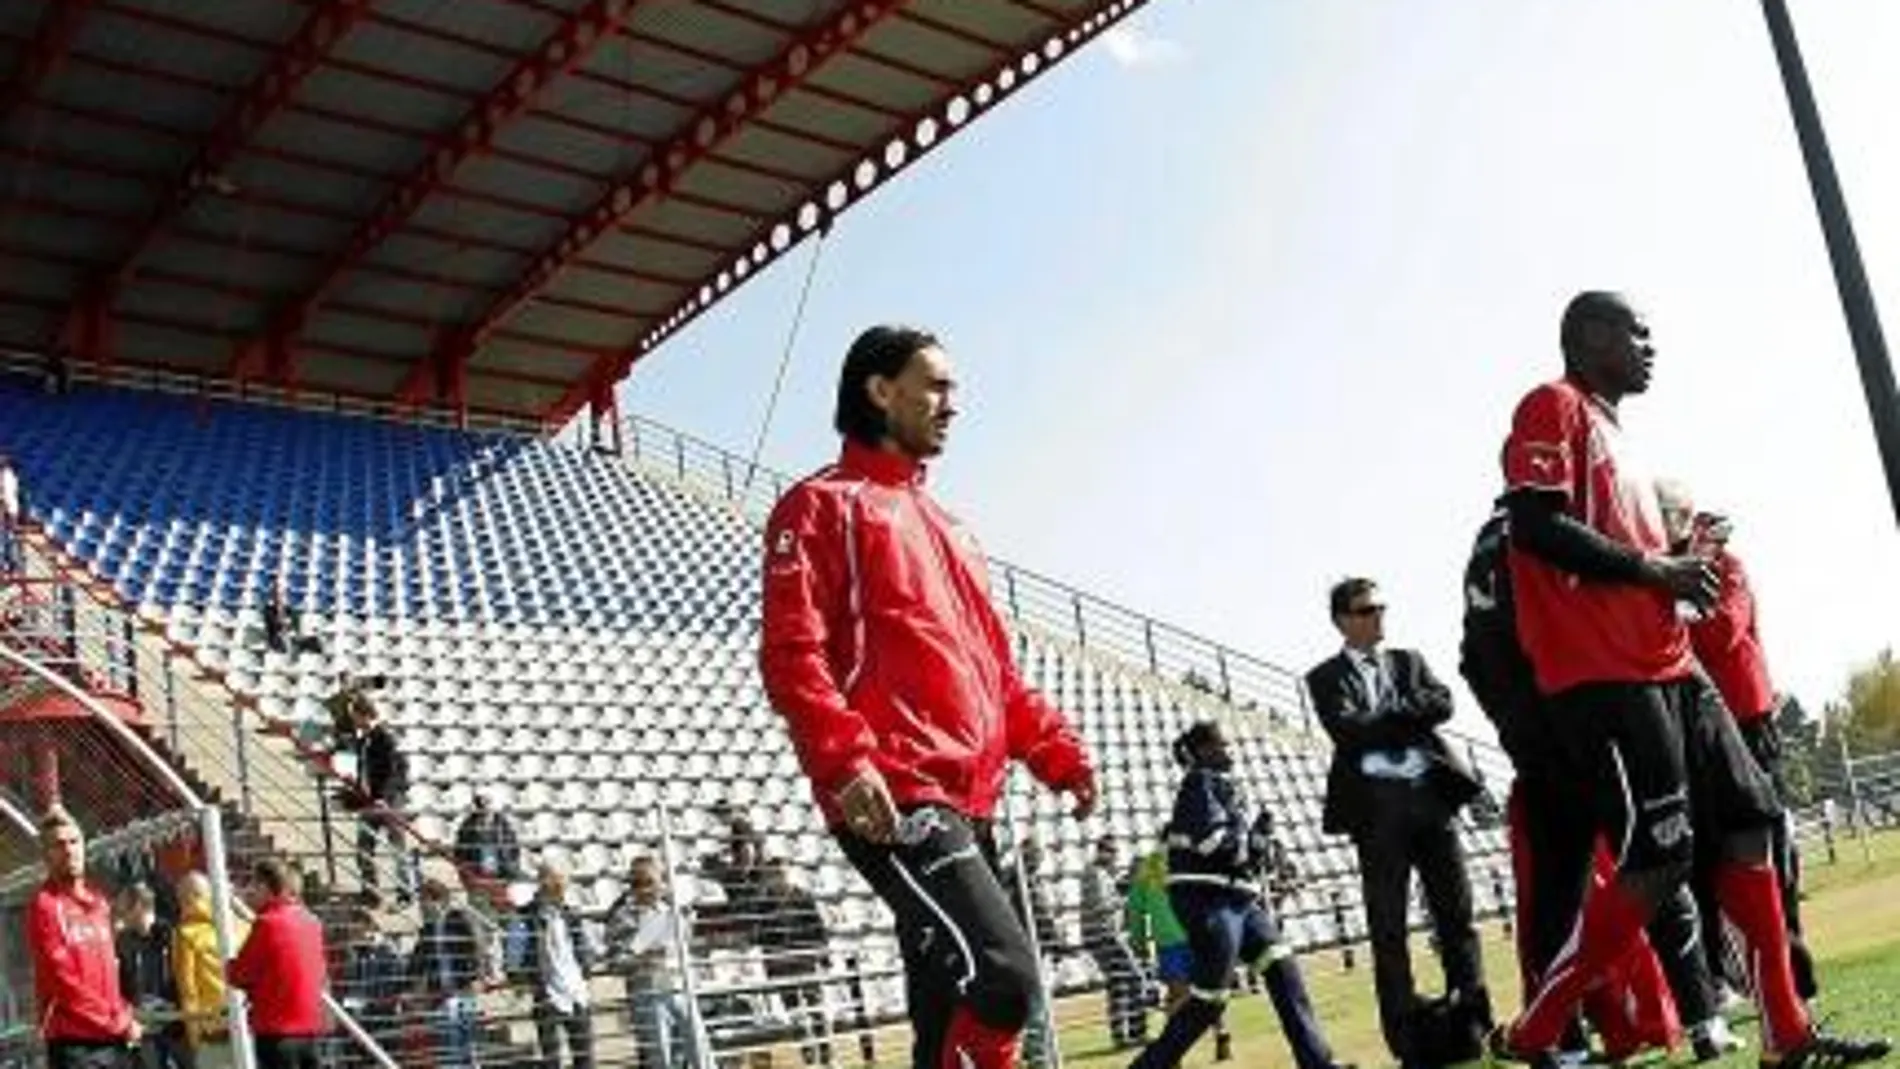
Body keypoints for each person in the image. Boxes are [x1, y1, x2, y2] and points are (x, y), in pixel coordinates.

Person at [1488, 291, 1888, 1069]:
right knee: (1659, 855)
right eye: (1636, 332)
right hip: (1605, 676)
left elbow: (1627, 548)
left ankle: (1788, 1032)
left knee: (1750, 814)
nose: (1650, 345)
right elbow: (1534, 525)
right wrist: (1655, 567)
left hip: (1672, 662)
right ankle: (1537, 1028)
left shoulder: (1622, 435)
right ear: (1591, 336)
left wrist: (1678, 564)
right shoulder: (1550, 404)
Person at [758, 325, 1097, 1069]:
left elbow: (994, 672)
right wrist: (846, 761)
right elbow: (791, 655)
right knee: (1006, 980)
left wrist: (1057, 750)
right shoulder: (818, 506)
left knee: (941, 1018)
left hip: (973, 801)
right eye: (936, 385)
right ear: (880, 390)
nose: (953, 404)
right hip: (897, 797)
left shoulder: (954, 530)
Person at [1459, 508, 1727, 1064]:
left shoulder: (1482, 549)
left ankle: (1566, 1042)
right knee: (1656, 862)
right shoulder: (1548, 532)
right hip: (1587, 719)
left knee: (1553, 899)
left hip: (1536, 746)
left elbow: (1471, 657)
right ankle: (1703, 1016)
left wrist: (1515, 725)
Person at [1305, 578, 1489, 1067]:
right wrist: (1408, 715)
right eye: (1367, 610)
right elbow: (1347, 730)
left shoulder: (1409, 661)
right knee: (1388, 933)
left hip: (1433, 806)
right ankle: (1408, 1044)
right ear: (1343, 619)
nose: (1378, 616)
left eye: (1381, 607)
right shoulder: (1322, 677)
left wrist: (1382, 716)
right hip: (1376, 817)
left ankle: (1474, 1027)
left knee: (1458, 920)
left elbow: (1443, 702)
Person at [1656, 483, 1819, 1004]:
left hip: (1747, 720)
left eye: (1668, 517)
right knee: (1700, 853)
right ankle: (1720, 979)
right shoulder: (1660, 573)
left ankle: (1792, 971)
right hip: (1695, 727)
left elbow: (1723, 628)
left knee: (1768, 842)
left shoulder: (1727, 567)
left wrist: (1667, 605)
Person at [1129, 722, 1348, 1069]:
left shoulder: (1219, 787)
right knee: (1209, 1002)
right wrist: (1255, 843)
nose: (1231, 752)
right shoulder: (1199, 783)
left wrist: (1258, 843)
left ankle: (1318, 1064)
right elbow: (1212, 842)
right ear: (1204, 751)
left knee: (1283, 969)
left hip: (1239, 901)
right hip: (1210, 901)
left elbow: (1234, 848)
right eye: (1224, 746)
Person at [26, 808, 141, 1068]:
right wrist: (116, 1021)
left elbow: (112, 970)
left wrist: (124, 1011)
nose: (69, 850)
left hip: (114, 1039)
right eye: (59, 844)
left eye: (74, 842)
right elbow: (63, 981)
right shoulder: (45, 905)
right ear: (46, 855)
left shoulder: (98, 901)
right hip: (75, 1046)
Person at [229, 858, 330, 1069]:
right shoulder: (311, 921)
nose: (250, 891)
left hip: (277, 1031)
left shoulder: (267, 924)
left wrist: (229, 965)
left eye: (253, 885)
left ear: (265, 887)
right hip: (310, 1029)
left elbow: (240, 974)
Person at [605, 856, 694, 1069]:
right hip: (648, 992)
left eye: (649, 882)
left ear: (661, 881)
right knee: (660, 1059)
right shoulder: (622, 916)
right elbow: (613, 962)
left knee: (695, 1051)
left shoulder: (672, 910)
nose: (644, 889)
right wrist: (641, 959)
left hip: (679, 987)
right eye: (637, 883)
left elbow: (685, 945)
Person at [334, 684, 418, 906]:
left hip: (389, 802)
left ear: (365, 714)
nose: (354, 721)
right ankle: (371, 891)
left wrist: (384, 797)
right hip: (372, 802)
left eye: (355, 716)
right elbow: (364, 774)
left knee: (397, 847)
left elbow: (394, 772)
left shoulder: (386, 737)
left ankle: (405, 893)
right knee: (364, 846)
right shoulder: (365, 740)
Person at [508, 863, 595, 1069]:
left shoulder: (570, 913)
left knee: (585, 1058)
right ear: (544, 882)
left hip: (576, 993)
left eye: (564, 881)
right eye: (558, 880)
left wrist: (585, 967)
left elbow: (582, 947)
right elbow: (514, 957)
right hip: (547, 995)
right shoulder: (524, 917)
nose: (563, 885)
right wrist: (525, 980)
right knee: (551, 1060)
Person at [755, 861, 832, 1067]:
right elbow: (762, 938)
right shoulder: (765, 905)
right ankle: (808, 1060)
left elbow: (820, 929)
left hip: (806, 962)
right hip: (782, 967)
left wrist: (822, 958)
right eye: (774, 875)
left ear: (790, 874)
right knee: (795, 1014)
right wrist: (770, 965)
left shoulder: (804, 897)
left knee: (817, 1010)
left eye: (782, 873)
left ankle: (827, 1059)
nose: (779, 878)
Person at [411, 879, 486, 1069]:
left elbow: (476, 947)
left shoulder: (459, 919)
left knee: (468, 1047)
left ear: (438, 900)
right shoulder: (427, 931)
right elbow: (417, 964)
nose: (421, 906)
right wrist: (410, 990)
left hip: (463, 991)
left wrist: (477, 975)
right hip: (440, 997)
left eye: (424, 901)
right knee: (448, 1049)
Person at [116, 884, 191, 1069]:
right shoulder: (123, 941)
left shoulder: (172, 935)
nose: (120, 915)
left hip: (177, 1023)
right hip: (145, 1026)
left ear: (139, 906)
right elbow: (121, 981)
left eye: (124, 909)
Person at [1081, 838, 1146, 1052]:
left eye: (1116, 851)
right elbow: (1102, 906)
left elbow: (1111, 895)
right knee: (1135, 977)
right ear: (1101, 851)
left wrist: (1126, 883)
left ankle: (1122, 1036)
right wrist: (1124, 897)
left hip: (1102, 934)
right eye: (1111, 851)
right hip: (1103, 934)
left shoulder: (1101, 874)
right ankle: (1136, 1032)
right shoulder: (1095, 873)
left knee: (1118, 983)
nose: (1115, 855)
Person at [172, 873, 241, 1069]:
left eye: (181, 897)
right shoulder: (240, 925)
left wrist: (194, 1039)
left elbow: (189, 990)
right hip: (248, 1025)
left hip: (214, 1034)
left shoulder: (186, 934)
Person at [452, 794, 523, 886]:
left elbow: (511, 850)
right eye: (479, 804)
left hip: (499, 876)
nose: (483, 807)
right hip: (476, 878)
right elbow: (460, 852)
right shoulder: (467, 826)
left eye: (486, 803)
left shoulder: (502, 825)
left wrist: (508, 872)